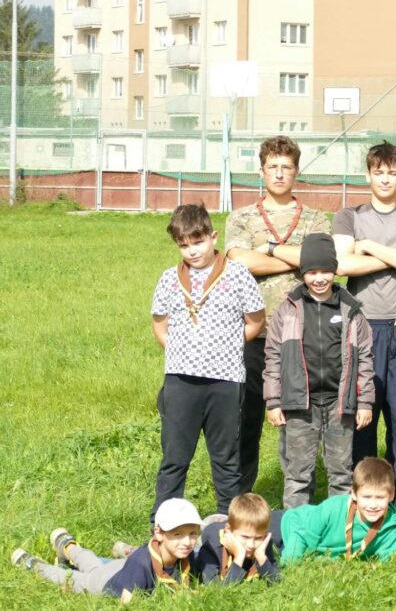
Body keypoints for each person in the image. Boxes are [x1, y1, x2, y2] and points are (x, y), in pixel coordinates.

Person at [226, 135, 332, 494]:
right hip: (251, 332)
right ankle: (237, 499)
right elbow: (240, 260)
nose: (279, 173)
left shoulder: (316, 218)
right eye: (273, 166)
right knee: (245, 420)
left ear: (296, 171)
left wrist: (270, 250)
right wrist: (296, 259)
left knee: (299, 422)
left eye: (286, 166)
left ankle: (298, 500)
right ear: (261, 171)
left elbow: (320, 261)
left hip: (302, 335)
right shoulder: (242, 217)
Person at [332, 142, 396, 509]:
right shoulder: (349, 216)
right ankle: (365, 494)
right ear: (368, 175)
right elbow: (342, 265)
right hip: (361, 328)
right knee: (363, 418)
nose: (385, 179)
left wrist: (369, 246)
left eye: (392, 173)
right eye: (379, 172)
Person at [151, 204, 265, 517]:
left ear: (213, 237)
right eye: (184, 245)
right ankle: (163, 524)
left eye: (198, 242)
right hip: (181, 381)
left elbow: (255, 320)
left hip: (225, 382)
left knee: (226, 460)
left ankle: (229, 524)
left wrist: (226, 346)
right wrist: (182, 351)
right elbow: (160, 324)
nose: (192, 251)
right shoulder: (169, 279)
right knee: (175, 459)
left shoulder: (238, 274)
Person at [263, 233, 375, 508]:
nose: (319, 278)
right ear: (303, 273)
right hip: (300, 403)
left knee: (341, 472)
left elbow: (365, 359)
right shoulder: (288, 310)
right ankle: (297, 526)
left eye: (325, 271)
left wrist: (364, 402)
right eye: (312, 272)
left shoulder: (351, 310)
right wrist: (273, 401)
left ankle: (338, 525)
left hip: (340, 404)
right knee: (298, 472)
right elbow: (273, 356)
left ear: (334, 270)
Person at [12, 498, 202, 602]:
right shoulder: (142, 563)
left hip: (120, 567)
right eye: (177, 534)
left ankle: (67, 545)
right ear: (159, 533)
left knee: (94, 565)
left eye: (192, 534)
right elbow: (128, 603)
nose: (187, 541)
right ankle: (33, 564)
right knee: (74, 579)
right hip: (106, 583)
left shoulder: (184, 555)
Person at [272, 457, 396, 564]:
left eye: (380, 497)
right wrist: (288, 566)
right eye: (366, 497)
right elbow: (301, 534)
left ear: (391, 495)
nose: (373, 505)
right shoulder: (333, 508)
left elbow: (389, 561)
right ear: (354, 494)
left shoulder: (391, 528)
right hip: (288, 527)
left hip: (309, 550)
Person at [196, 492, 280, 584]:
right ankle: (215, 520)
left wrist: (261, 557)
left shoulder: (263, 542)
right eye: (245, 537)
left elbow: (277, 582)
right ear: (228, 530)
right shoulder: (212, 546)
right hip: (210, 533)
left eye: (258, 538)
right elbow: (215, 588)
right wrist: (239, 557)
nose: (251, 545)